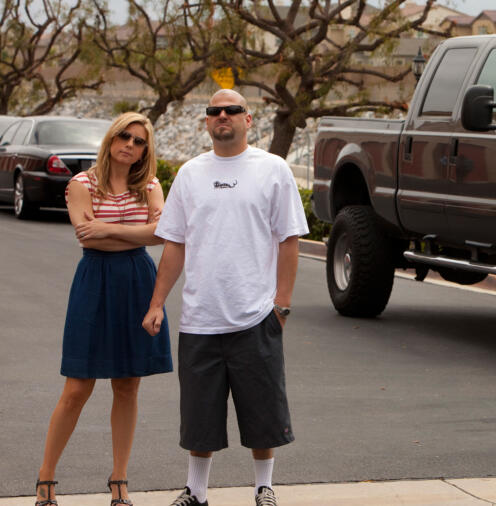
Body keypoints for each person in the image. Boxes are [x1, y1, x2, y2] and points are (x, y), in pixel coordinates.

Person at [142, 89, 307, 506]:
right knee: (200, 415)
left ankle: (264, 488)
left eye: (232, 110)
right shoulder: (190, 173)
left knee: (263, 411)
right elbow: (175, 243)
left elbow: (289, 239)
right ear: (206, 122)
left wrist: (281, 304)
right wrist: (157, 301)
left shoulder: (273, 169)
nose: (223, 116)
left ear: (248, 120)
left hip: (255, 316)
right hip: (201, 317)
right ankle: (196, 492)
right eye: (214, 111)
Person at [35, 112, 172, 506]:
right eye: (124, 136)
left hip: (138, 283)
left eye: (139, 141)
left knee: (128, 385)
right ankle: (46, 478)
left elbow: (161, 234)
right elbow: (87, 237)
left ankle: (119, 481)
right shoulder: (82, 184)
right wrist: (133, 234)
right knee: (77, 386)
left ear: (146, 149)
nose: (130, 145)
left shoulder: (149, 184)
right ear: (111, 139)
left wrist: (109, 229)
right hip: (94, 282)